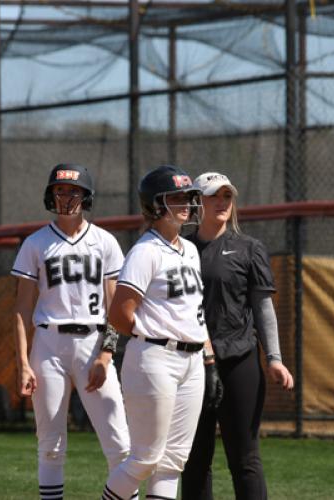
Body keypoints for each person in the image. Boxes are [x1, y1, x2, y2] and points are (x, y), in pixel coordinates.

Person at [101, 165, 221, 500]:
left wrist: (208, 360)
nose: (186, 203)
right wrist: (156, 335)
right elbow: (119, 314)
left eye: (188, 196)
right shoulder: (145, 251)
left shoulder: (191, 249)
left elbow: (194, 313)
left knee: (172, 463)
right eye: (177, 197)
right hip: (155, 358)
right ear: (155, 205)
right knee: (145, 458)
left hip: (192, 361)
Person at [12, 163, 130, 500]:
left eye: (73, 191)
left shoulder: (105, 242)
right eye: (60, 190)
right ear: (51, 196)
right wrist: (22, 361)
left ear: (86, 196)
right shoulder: (35, 243)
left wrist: (107, 354)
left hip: (93, 343)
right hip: (48, 344)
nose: (66, 197)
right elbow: (21, 308)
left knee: (120, 443)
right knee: (50, 444)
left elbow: (114, 306)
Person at [181, 172, 294, 500]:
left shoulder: (249, 248)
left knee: (244, 458)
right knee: (194, 459)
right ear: (196, 202)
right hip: (190, 365)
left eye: (227, 196)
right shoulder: (178, 249)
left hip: (238, 361)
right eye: (214, 195)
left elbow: (263, 309)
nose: (222, 202)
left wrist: (274, 359)